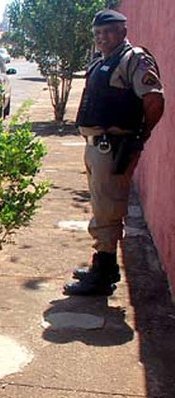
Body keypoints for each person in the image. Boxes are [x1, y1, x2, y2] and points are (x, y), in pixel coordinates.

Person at [64, 9, 165, 296]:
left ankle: (103, 274)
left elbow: (154, 99)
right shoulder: (104, 60)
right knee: (102, 207)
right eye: (97, 33)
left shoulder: (133, 59)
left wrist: (140, 136)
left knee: (107, 211)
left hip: (114, 147)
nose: (102, 38)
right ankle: (104, 264)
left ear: (122, 31)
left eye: (108, 31)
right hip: (97, 146)